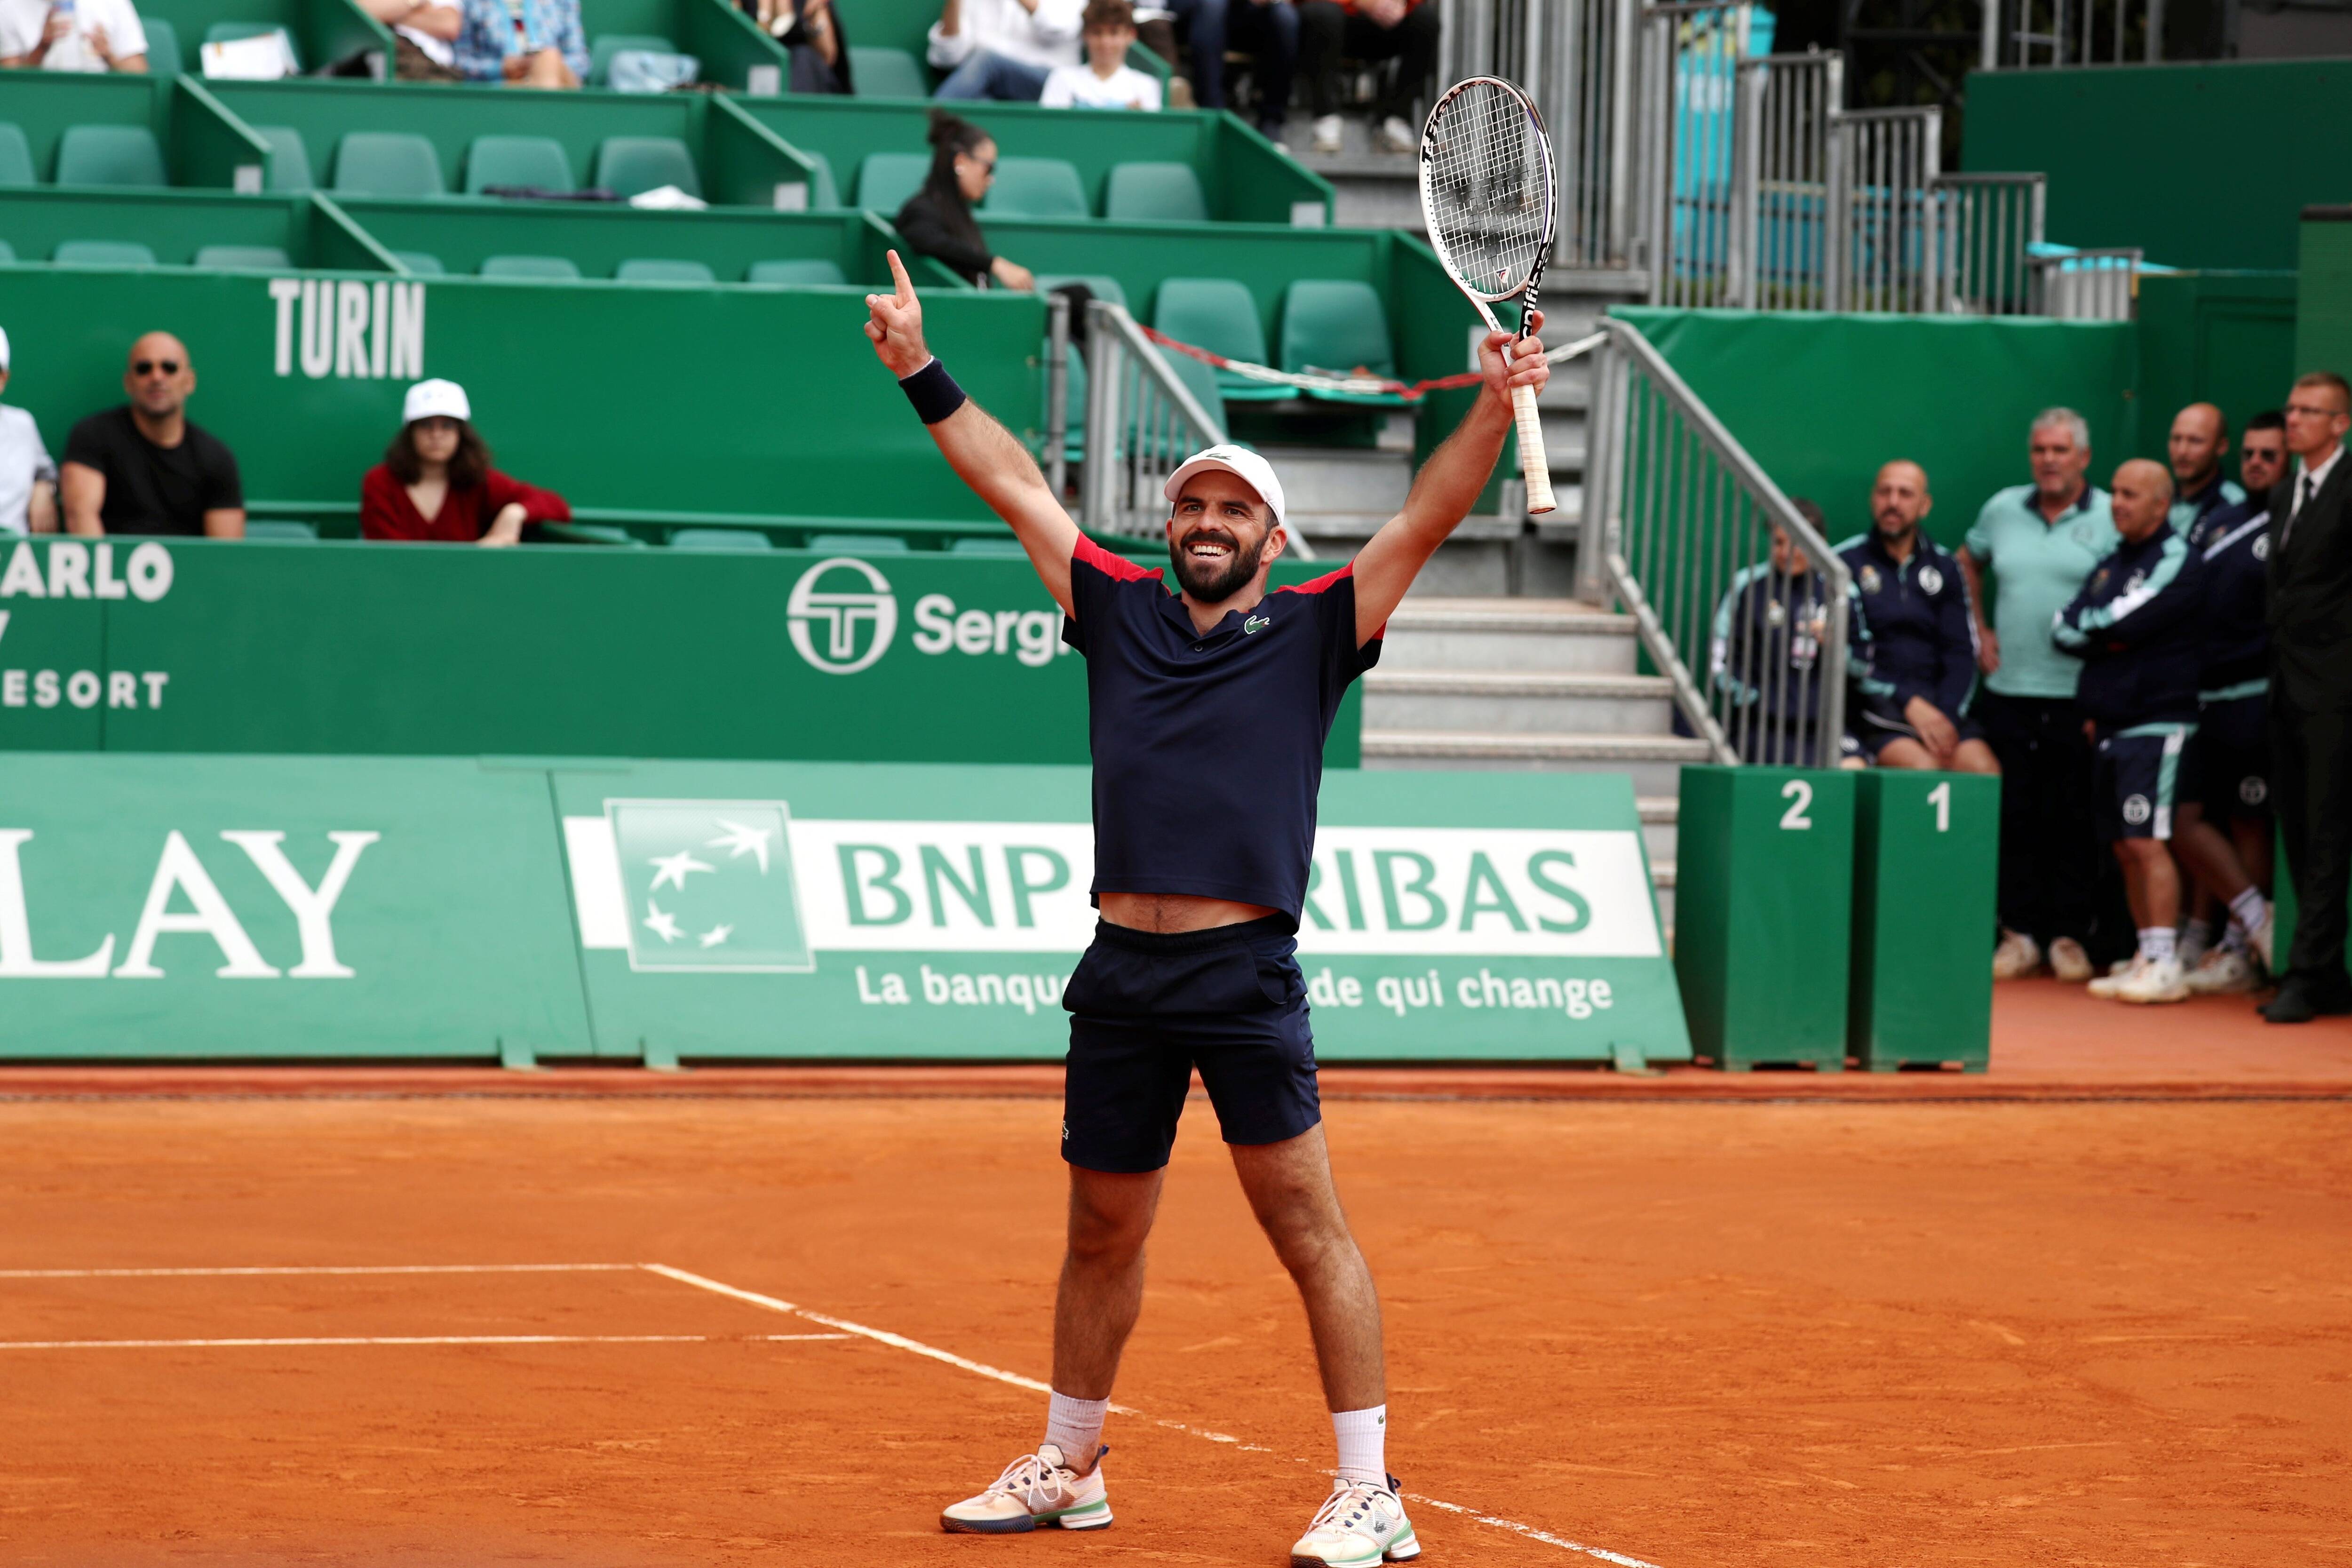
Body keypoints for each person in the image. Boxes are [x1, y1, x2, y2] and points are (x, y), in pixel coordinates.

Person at [861, 246, 1545, 1564]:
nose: (1210, 522)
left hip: (1242, 975)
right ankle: (1071, 1462)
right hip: (1121, 967)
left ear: (1273, 538)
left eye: (1236, 509)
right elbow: (1011, 482)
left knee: (1305, 1225)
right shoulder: (1114, 608)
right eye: (1194, 506)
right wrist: (918, 368)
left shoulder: (1319, 626)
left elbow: (1427, 517)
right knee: (1100, 1224)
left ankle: (1371, 1489)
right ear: (1171, 527)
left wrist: (1490, 404)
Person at [1958, 408, 2118, 985]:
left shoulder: (2109, 515)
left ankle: (2068, 936)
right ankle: (2019, 934)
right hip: (2006, 692)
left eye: (2058, 450)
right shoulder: (2002, 509)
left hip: (2078, 694)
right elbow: (1966, 563)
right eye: (2039, 450)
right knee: (2015, 815)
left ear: (2082, 457)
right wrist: (1979, 628)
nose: (2047, 461)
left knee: (2073, 817)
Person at [2052, 459, 2205, 1005]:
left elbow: (2125, 623)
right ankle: (2146, 952)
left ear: (2161, 504)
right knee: (2121, 844)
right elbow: (2063, 627)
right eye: (2114, 493)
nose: (2116, 503)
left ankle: (2166, 961)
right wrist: (2106, 633)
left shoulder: (2176, 557)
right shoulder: (2110, 561)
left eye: (2130, 495)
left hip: (2156, 720)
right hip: (2111, 722)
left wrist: (2105, 631)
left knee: (2145, 841)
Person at [2170, 409, 2281, 995]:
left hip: (2253, 700)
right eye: (2250, 454)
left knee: (2246, 821)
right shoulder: (2220, 521)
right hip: (2201, 697)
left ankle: (2241, 948)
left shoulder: (2292, 523)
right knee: (2187, 819)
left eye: (2270, 455)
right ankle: (2248, 926)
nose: (2257, 464)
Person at [2261, 371, 2352, 1023]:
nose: (2294, 421)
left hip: (2337, 693)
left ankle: (2309, 972)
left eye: (2310, 412)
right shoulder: (2287, 488)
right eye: (2292, 409)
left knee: (2325, 833)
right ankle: (2328, 972)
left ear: (2340, 424)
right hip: (2287, 688)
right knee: (2297, 826)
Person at [1838, 460, 1998, 774]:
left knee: (1983, 769)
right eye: (1885, 492)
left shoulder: (1946, 567)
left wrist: (1947, 717)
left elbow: (1961, 651)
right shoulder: (1844, 563)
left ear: (1924, 505)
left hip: (1939, 709)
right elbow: (1847, 657)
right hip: (1875, 712)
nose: (1893, 502)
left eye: (1905, 494)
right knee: (1922, 772)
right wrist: (1909, 702)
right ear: (1874, 498)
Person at [1708, 501, 1879, 767]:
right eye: (1778, 543)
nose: (1787, 553)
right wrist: (1760, 702)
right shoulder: (1747, 586)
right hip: (1762, 725)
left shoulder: (1842, 592)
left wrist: (1835, 647)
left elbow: (1862, 666)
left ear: (1820, 542)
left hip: (1825, 727)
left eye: (1798, 543)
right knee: (1788, 770)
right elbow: (1720, 663)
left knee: (1853, 769)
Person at [60, 333, 243, 539]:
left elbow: (226, 552)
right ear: (128, 382)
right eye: (144, 368)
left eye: (170, 367)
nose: (157, 377)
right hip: (111, 568)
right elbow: (81, 519)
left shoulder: (216, 457)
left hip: (189, 570)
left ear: (189, 381)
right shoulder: (93, 435)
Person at [359, 379, 570, 545]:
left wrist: (515, 513)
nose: (436, 435)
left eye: (447, 426)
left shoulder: (479, 481)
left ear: (462, 434)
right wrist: (478, 551)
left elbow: (557, 506)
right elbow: (388, 555)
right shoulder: (380, 482)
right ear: (410, 433)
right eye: (426, 425)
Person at [894, 110, 1036, 292]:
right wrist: (994, 264)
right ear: (961, 162)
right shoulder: (921, 209)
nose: (991, 179)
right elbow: (927, 239)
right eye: (989, 168)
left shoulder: (960, 212)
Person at [1298, 0, 1438, 156]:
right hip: (1338, 17)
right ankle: (1325, 118)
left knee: (1426, 20)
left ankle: (1397, 120)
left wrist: (1401, 4)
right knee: (1322, 13)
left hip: (1386, 21)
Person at [1153, 0, 1295, 136]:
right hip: (1196, 11)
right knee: (1212, 6)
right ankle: (1213, 114)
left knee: (1285, 17)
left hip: (1246, 12)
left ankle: (1271, 119)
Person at [929, 0, 1082, 101]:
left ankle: (922, 127)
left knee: (987, 61)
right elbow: (947, 56)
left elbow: (1058, 28)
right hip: (993, 88)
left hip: (1050, 85)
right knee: (980, 104)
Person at [1040, 0, 1161, 109]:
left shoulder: (1146, 87)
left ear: (1131, 35)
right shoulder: (1062, 79)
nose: (1105, 42)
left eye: (1114, 33)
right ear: (1085, 35)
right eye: (1097, 33)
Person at [0, 327, 58, 537]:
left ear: (3, 379)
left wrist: (44, 488)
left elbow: (45, 473)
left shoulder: (22, 425)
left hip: (15, 560)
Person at [450, 0, 587, 88]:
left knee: (548, 58)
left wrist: (540, 65)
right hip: (503, 86)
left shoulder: (563, 3)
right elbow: (460, 62)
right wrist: (501, 68)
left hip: (560, 81)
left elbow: (580, 60)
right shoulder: (472, 4)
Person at [0, 0, 149, 70]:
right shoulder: (7, 6)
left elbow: (138, 76)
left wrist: (108, 56)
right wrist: (41, 49)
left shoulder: (114, 3)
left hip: (100, 100)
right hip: (38, 102)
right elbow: (12, 87)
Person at [2166, 402, 2243, 537]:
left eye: (2195, 441)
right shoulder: (2159, 498)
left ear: (2221, 447)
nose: (2182, 451)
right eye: (2176, 439)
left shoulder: (2234, 505)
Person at [742, 0, 849, 93]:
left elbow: (827, 56)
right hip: (757, 63)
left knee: (803, 58)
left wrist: (816, 13)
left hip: (807, 73)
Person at [359, 0, 465, 80]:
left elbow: (447, 25)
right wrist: (414, 4)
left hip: (433, 71)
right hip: (376, 64)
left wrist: (387, 12)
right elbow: (356, 10)